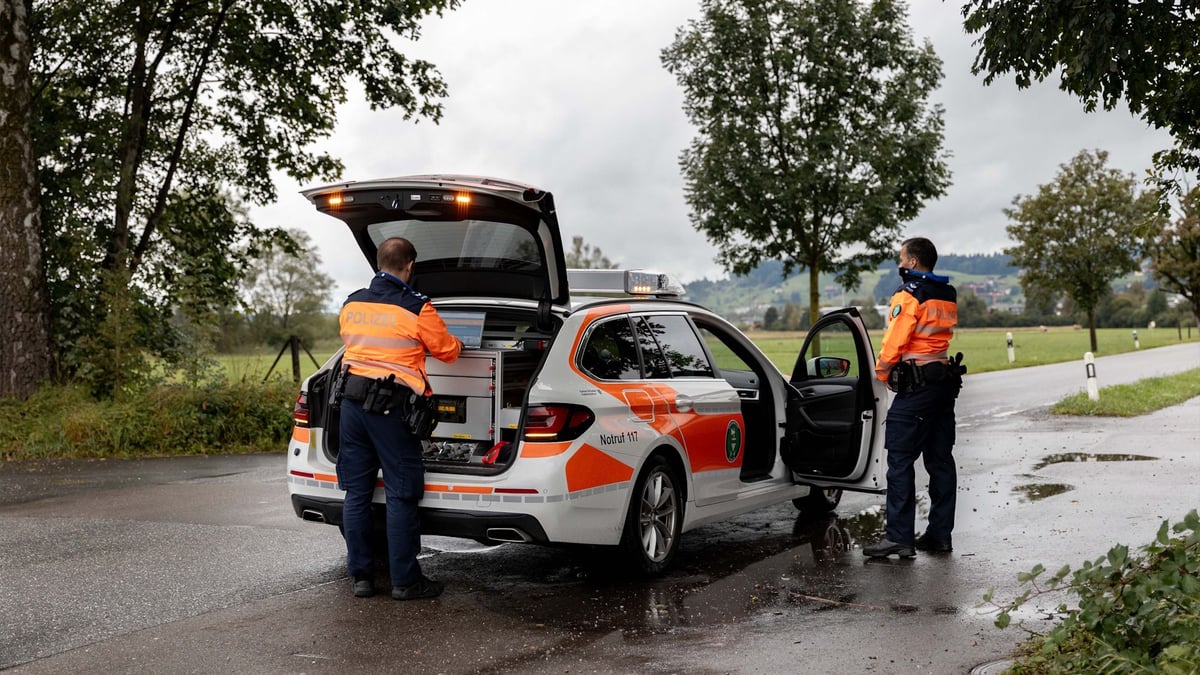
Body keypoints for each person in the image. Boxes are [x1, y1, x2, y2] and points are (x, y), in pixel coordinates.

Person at [335, 237, 462, 598]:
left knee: (356, 493)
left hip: (351, 406)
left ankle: (361, 577)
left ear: (379, 263)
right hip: (391, 411)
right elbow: (446, 351)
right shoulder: (415, 307)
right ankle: (406, 581)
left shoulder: (352, 303)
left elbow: (357, 344)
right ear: (410, 266)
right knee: (400, 493)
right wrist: (461, 343)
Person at [864, 237, 964, 559]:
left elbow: (895, 339)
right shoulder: (947, 295)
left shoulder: (909, 294)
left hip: (916, 386)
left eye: (902, 259)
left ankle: (899, 538)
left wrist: (882, 374)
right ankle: (939, 535)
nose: (900, 263)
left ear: (914, 262)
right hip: (942, 384)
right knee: (940, 460)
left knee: (900, 460)